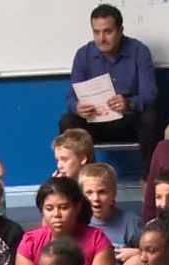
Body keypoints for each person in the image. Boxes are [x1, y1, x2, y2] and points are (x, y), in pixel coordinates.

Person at [60, 3, 159, 175]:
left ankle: (149, 180)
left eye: (108, 31)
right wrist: (77, 107)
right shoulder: (83, 54)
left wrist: (128, 103)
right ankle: (84, 178)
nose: (102, 38)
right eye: (96, 32)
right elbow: (70, 98)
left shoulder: (139, 51)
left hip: (129, 121)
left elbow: (151, 94)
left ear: (120, 30)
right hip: (96, 122)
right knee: (67, 121)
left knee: (151, 117)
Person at [78, 163, 142, 265]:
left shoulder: (132, 222)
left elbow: (154, 254)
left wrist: (137, 253)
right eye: (89, 192)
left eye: (102, 192)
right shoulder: (78, 224)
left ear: (113, 193)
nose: (96, 198)